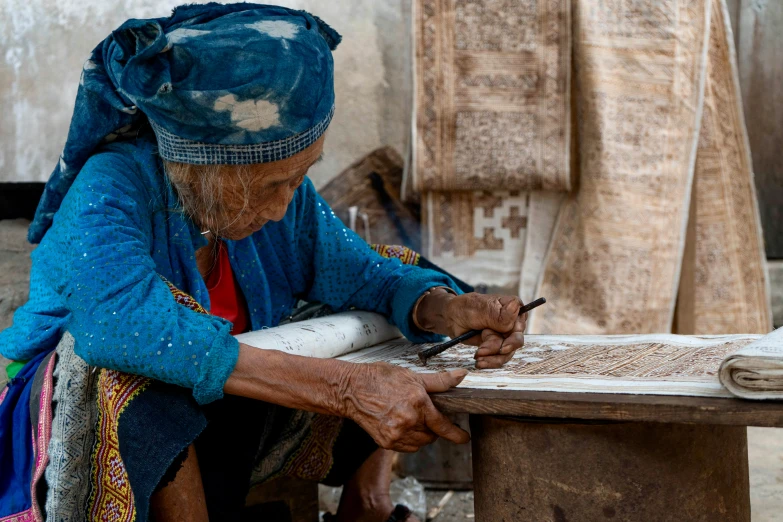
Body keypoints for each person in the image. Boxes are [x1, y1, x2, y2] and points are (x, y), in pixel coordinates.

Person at [0, 4, 526, 522]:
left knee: (398, 283)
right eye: (270, 185)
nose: (282, 206)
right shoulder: (112, 186)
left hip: (223, 416)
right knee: (130, 370)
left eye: (299, 177)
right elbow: (122, 327)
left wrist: (446, 309)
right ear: (197, 165)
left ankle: (366, 503)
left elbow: (367, 274)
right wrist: (345, 390)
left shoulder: (283, 202)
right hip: (90, 429)